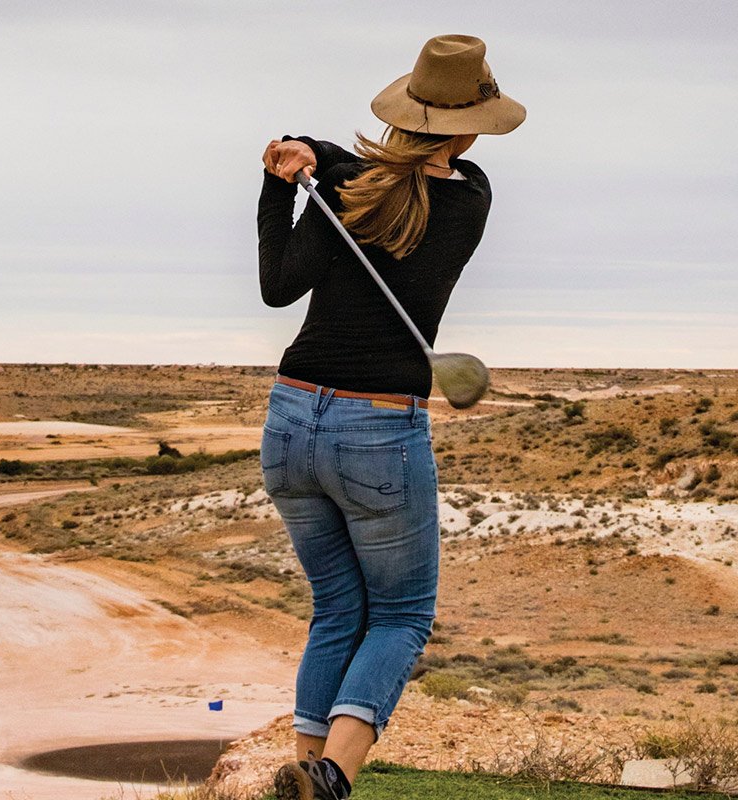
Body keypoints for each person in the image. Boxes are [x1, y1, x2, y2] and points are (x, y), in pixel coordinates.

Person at [254, 33, 524, 800]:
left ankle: (303, 774)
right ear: (471, 128)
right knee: (402, 615)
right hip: (378, 429)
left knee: (338, 608)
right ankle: (332, 775)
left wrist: (285, 174)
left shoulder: (345, 185)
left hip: (289, 418)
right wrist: (317, 155)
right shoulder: (470, 199)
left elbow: (280, 286)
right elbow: (384, 169)